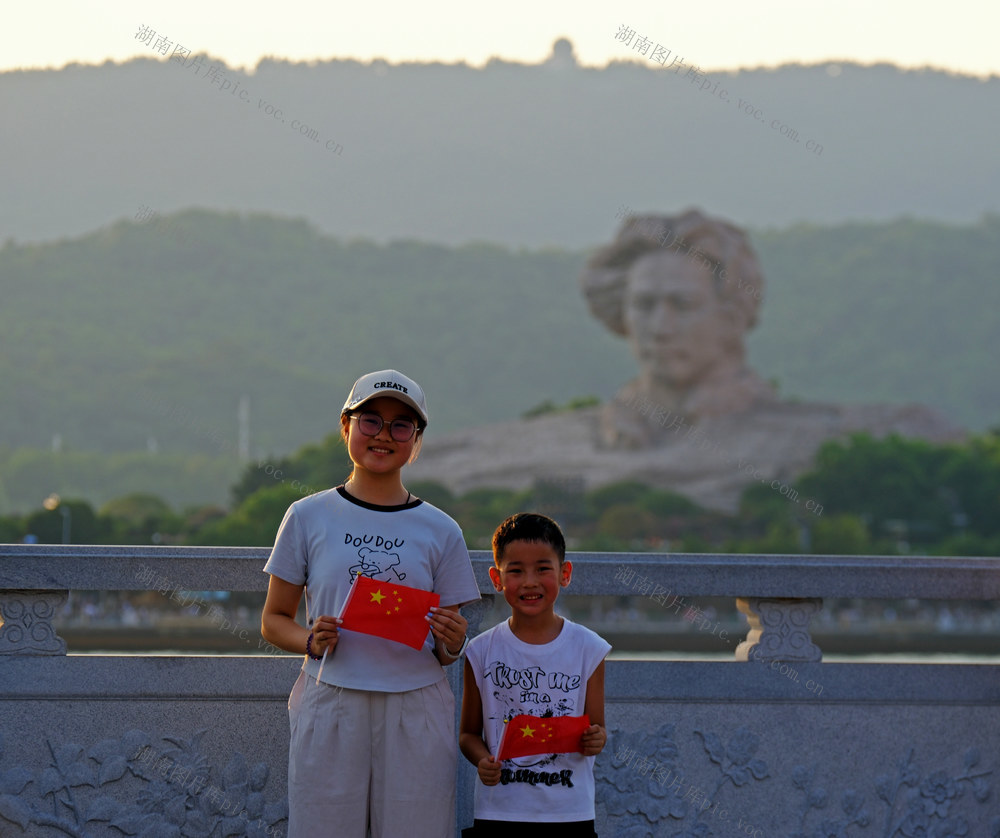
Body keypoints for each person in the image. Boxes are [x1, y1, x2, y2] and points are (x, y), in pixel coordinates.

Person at [261, 369, 480, 838]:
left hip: (416, 706)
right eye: (370, 421)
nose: (384, 435)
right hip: (331, 697)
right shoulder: (306, 515)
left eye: (402, 425)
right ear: (346, 427)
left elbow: (447, 646)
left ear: (416, 440)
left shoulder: (443, 530)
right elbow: (273, 620)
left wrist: (454, 641)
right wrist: (310, 639)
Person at [459, 513, 611, 837]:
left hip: (569, 813)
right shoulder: (480, 651)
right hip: (499, 810)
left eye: (543, 568)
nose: (530, 581)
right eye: (515, 571)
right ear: (496, 579)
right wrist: (482, 760)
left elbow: (596, 728)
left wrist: (595, 738)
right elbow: (468, 734)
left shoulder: (589, 648)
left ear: (565, 573)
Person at [579, 208, 776, 447]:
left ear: (731, 316)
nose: (661, 328)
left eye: (683, 305)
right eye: (644, 305)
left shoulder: (796, 436)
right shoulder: (579, 435)